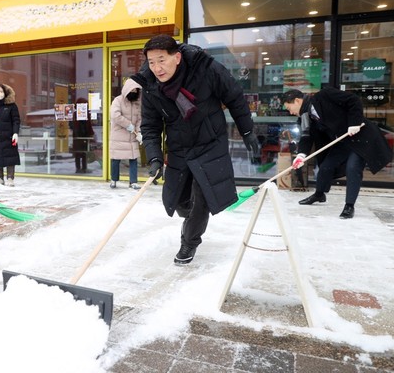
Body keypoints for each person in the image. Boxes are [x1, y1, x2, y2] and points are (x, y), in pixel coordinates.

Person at [135, 34, 259, 265]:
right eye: (151, 62)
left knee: (202, 198)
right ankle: (191, 219)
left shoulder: (206, 68)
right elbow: (150, 126)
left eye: (161, 60)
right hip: (179, 148)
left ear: (177, 57)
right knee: (179, 202)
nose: (157, 68)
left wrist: (247, 130)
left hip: (209, 143)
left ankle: (189, 243)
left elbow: (234, 96)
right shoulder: (151, 86)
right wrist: (154, 157)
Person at [282, 88, 392, 219]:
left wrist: (354, 123)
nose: (290, 112)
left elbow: (353, 100)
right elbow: (307, 136)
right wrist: (301, 155)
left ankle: (349, 205)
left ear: (297, 100)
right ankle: (319, 194)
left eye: (289, 108)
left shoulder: (324, 96)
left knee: (353, 168)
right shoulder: (305, 116)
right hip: (343, 141)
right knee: (326, 166)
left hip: (360, 137)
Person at [109, 78, 143, 190]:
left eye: (135, 91)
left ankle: (133, 181)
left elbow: (139, 119)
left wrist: (138, 132)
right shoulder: (118, 101)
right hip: (118, 135)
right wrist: (128, 124)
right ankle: (114, 180)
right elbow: (115, 115)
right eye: (131, 91)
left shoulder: (137, 103)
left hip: (131, 136)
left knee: (133, 158)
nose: (133, 93)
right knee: (116, 158)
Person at [72, 98, 95, 173]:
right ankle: (82, 168)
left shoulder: (75, 114)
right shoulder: (82, 114)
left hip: (78, 136)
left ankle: (80, 168)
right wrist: (91, 134)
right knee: (82, 153)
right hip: (82, 136)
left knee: (80, 153)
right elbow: (88, 125)